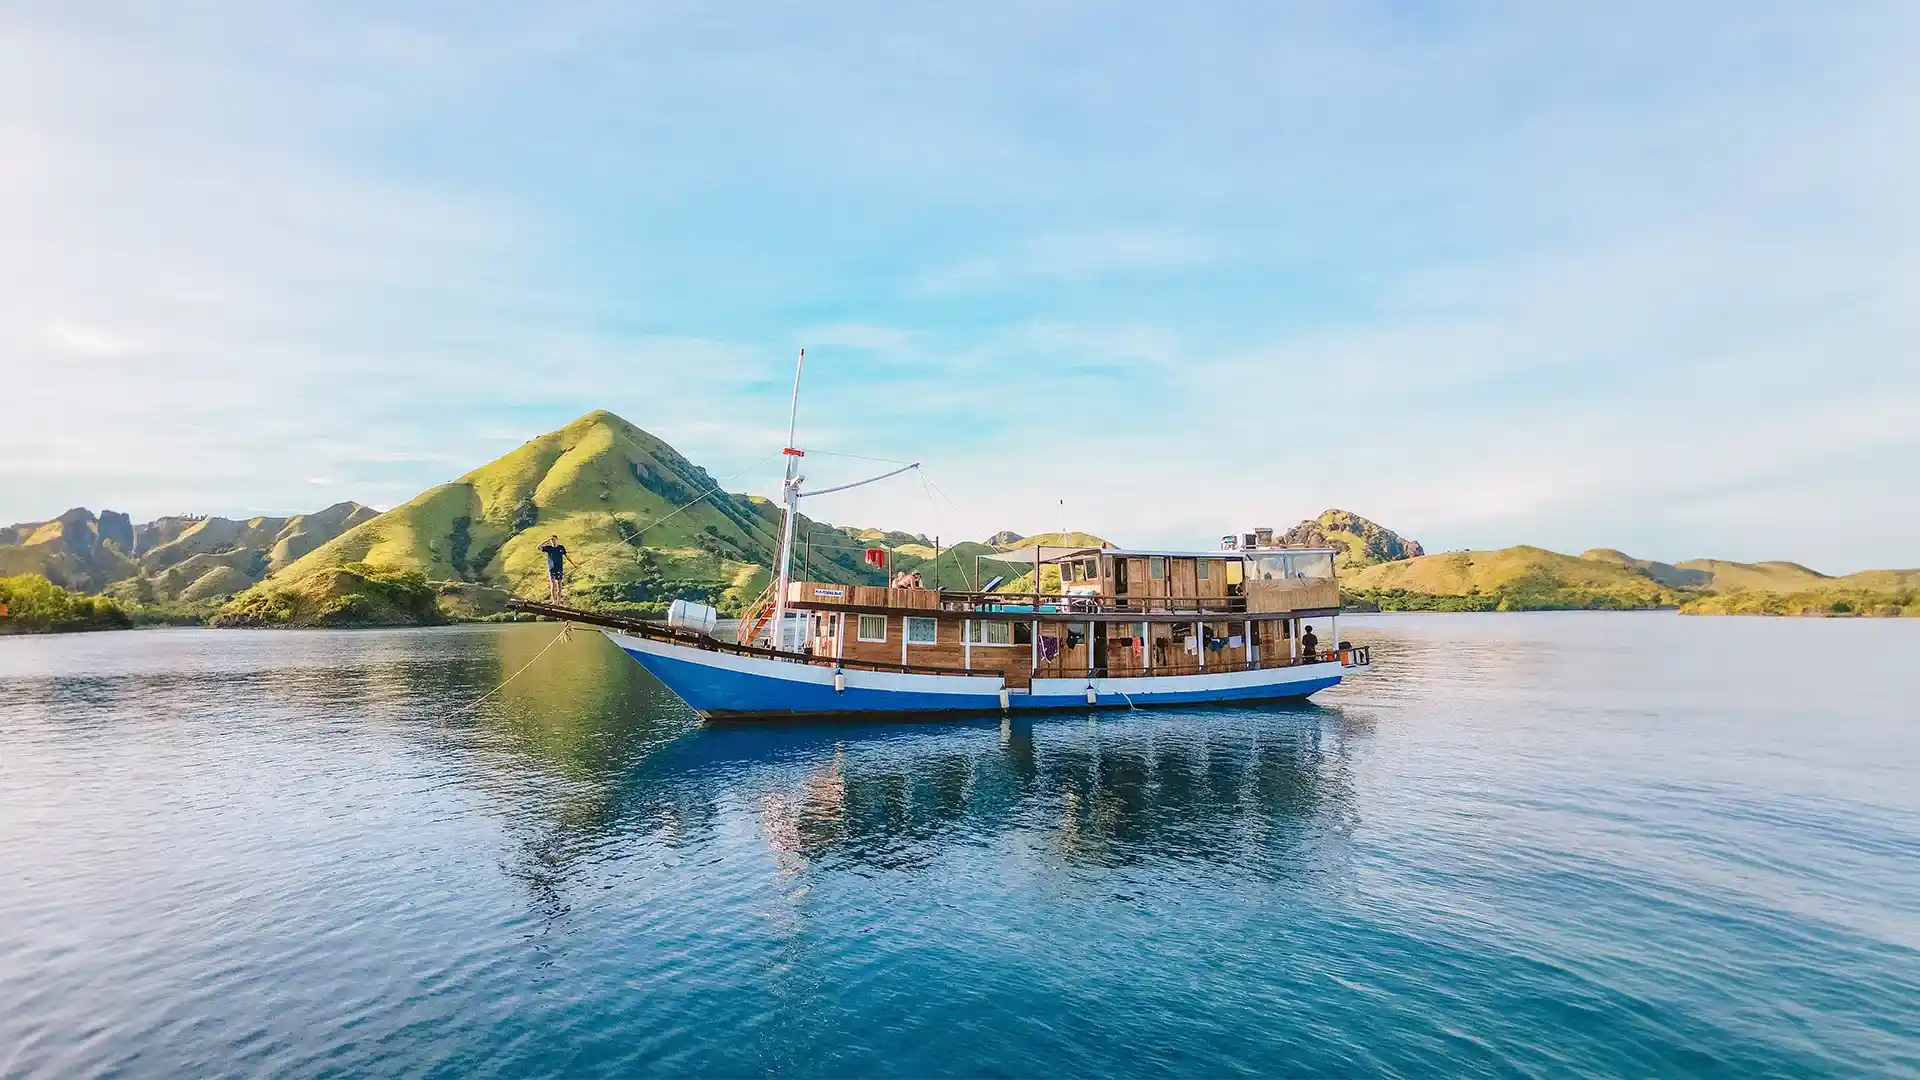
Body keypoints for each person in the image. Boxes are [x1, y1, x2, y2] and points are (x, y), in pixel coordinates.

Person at [538, 535, 572, 604]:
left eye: (554, 539)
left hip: (559, 569)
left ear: (557, 540)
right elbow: (538, 547)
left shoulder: (561, 547)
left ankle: (558, 602)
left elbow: (566, 556)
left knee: (559, 586)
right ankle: (554, 601)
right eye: (551, 540)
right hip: (551, 569)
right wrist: (546, 541)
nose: (552, 541)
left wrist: (573, 564)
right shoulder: (548, 548)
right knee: (553, 585)